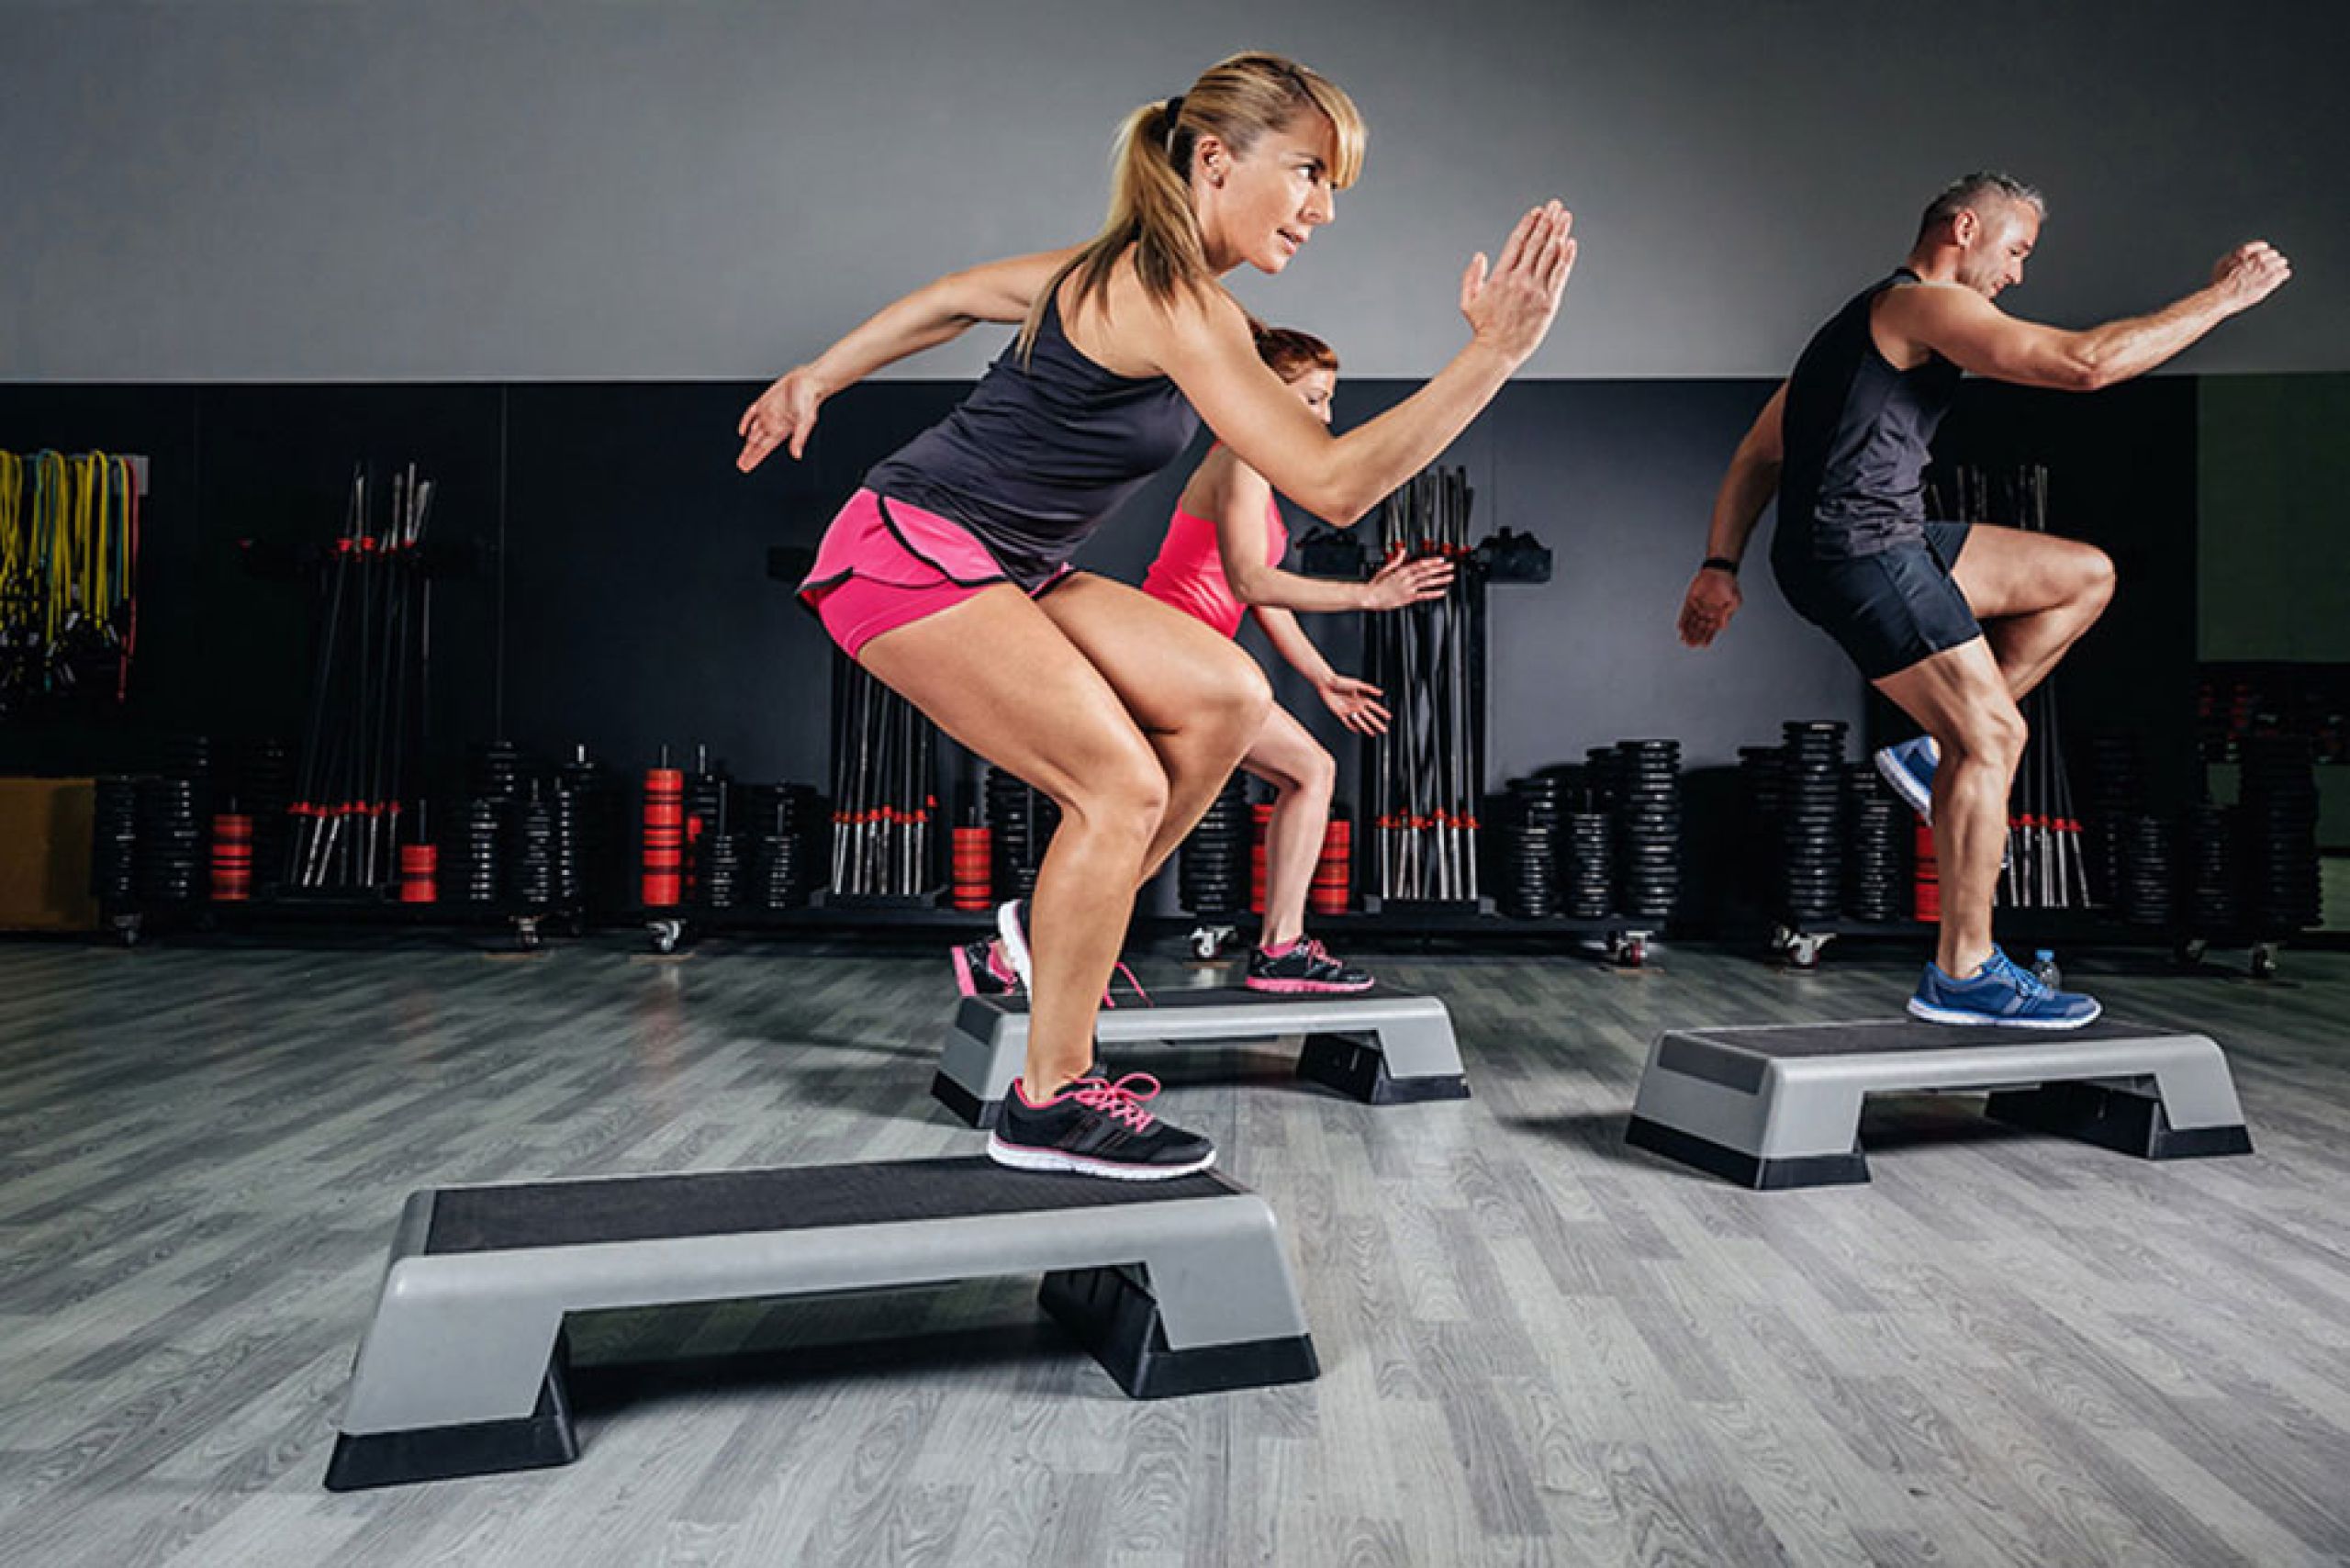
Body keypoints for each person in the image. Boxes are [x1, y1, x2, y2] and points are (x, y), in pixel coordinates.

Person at [739, 52, 1576, 1176]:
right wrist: (1494, 354)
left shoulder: (1136, 280)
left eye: (1335, 186)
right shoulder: (1174, 301)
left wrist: (818, 373)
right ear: (1216, 160)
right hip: (908, 551)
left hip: (1014, 565)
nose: (1323, 209)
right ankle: (1050, 1097)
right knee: (1118, 784)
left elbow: (949, 298)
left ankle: (1046, 938)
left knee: (1228, 697)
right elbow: (1331, 485)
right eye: (1308, 173)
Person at [1677, 171, 2288, 1028]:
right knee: (1996, 735)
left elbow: (1756, 453)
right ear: (1965, 229)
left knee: (2083, 575)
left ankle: (1937, 758)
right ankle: (1962, 970)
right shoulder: (1921, 306)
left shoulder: (1850, 329)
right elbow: (2085, 366)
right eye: (2016, 250)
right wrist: (2224, 298)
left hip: (1875, 537)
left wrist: (1719, 563)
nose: (2018, 274)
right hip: (1859, 549)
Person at [1149, 324, 1450, 991]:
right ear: (1261, 395)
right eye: (1312, 399)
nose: (1326, 416)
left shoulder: (1254, 466)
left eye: (1329, 400)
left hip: (1189, 661)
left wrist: (1320, 677)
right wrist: (1366, 598)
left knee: (1156, 813)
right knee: (1308, 772)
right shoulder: (1241, 462)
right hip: (1173, 657)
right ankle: (1280, 949)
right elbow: (1251, 579)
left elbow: (1258, 595)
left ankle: (1016, 943)